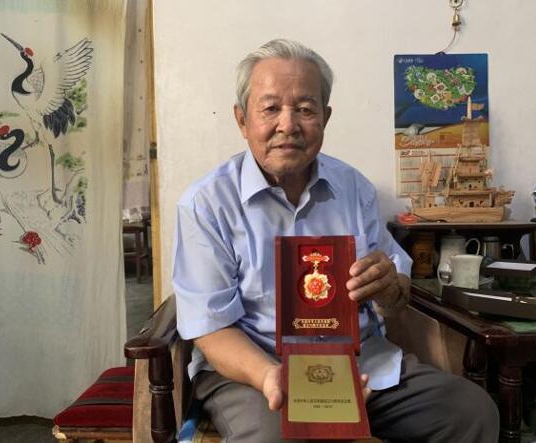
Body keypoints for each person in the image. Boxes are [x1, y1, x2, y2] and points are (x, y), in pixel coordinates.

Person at [173, 38, 499, 442]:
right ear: (242, 120)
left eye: (305, 109)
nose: (288, 125)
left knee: (471, 412)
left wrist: (388, 287)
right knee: (279, 438)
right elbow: (210, 327)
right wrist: (270, 376)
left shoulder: (354, 188)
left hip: (359, 364)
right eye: (270, 108)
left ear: (325, 118)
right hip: (253, 369)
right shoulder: (206, 204)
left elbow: (395, 294)